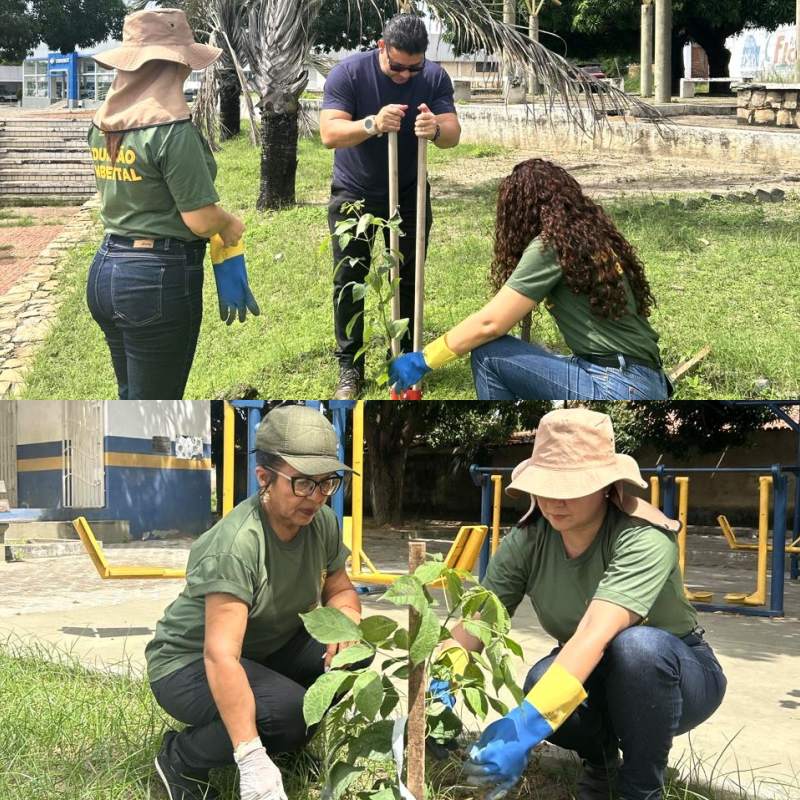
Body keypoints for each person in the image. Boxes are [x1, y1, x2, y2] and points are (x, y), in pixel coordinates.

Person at [440, 408, 726, 800]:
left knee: (638, 648)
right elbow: (479, 619)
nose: (555, 500)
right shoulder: (528, 540)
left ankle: (642, 786)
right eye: (546, 486)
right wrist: (441, 676)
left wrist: (526, 726)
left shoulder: (644, 537)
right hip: (594, 672)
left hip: (677, 676)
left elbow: (595, 633)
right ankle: (601, 765)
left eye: (572, 487)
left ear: (607, 486)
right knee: (541, 680)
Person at [145, 405, 363, 800]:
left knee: (354, 653)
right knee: (287, 712)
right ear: (264, 478)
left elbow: (340, 588)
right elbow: (220, 656)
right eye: (302, 484)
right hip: (189, 664)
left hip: (262, 649)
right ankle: (181, 757)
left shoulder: (321, 522)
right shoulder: (237, 544)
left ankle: (285, 744)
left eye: (326, 483)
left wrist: (345, 617)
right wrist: (249, 756)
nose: (315, 497)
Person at [389, 159, 672, 400]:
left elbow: (491, 323)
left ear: (521, 211)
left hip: (618, 385)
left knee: (489, 354)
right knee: (536, 353)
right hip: (645, 378)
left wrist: (425, 358)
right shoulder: (590, 237)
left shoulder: (550, 247)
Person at [87, 9, 259, 400]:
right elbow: (199, 219)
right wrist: (230, 223)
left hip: (106, 270)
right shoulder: (171, 130)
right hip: (154, 280)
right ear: (171, 66)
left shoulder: (103, 124)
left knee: (131, 398)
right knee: (155, 408)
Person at [320, 13, 462, 399]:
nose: (403, 76)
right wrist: (371, 124)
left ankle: (402, 360)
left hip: (410, 191)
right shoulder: (348, 74)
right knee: (350, 282)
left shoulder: (432, 78)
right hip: (355, 195)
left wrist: (435, 129)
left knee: (409, 276)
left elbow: (452, 134)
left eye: (412, 69)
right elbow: (330, 133)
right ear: (381, 47)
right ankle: (350, 370)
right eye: (397, 66)